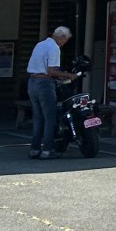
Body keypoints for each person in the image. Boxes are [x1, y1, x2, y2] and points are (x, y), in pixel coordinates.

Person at [26, 26, 72, 159]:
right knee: (49, 117)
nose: (64, 43)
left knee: (38, 116)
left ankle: (35, 149)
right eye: (66, 40)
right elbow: (51, 71)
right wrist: (68, 75)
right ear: (61, 37)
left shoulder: (40, 45)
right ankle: (47, 149)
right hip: (45, 83)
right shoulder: (54, 48)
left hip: (32, 82)